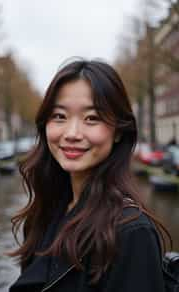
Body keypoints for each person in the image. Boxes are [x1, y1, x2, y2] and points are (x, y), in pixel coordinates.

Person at [9, 59, 169, 292]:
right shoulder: (45, 212)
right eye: (60, 116)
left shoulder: (131, 233)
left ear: (118, 131)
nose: (72, 133)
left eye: (92, 118)